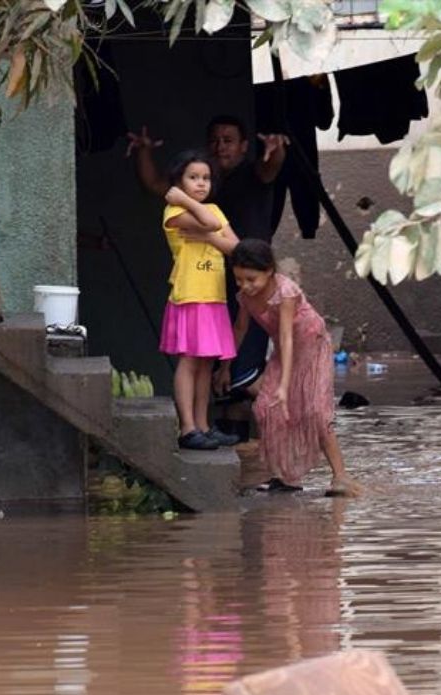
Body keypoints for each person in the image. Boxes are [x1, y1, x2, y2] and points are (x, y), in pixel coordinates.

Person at [129, 117, 288, 397]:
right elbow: (155, 183)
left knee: (244, 364)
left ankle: (261, 427)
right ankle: (220, 429)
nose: (220, 147)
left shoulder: (253, 173)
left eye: (228, 140)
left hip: (249, 276)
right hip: (208, 282)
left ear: (244, 146)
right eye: (215, 140)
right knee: (208, 362)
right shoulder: (202, 189)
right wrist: (143, 151)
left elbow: (270, 167)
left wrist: (276, 150)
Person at [222, 240, 362, 497]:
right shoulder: (245, 297)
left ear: (269, 271)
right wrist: (225, 367)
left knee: (316, 412)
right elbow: (240, 329)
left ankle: (340, 477)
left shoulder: (286, 292)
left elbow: (286, 336)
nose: (245, 286)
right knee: (266, 409)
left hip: (313, 347)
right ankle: (284, 477)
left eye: (251, 279)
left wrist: (284, 386)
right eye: (239, 280)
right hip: (286, 351)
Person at [160, 150, 241, 451]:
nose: (201, 184)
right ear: (178, 182)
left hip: (214, 296)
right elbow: (207, 222)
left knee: (206, 363)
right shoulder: (173, 212)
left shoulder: (215, 210)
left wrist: (210, 239)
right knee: (189, 360)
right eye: (193, 178)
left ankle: (204, 426)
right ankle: (187, 428)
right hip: (190, 294)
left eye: (206, 178)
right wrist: (183, 200)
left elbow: (235, 247)